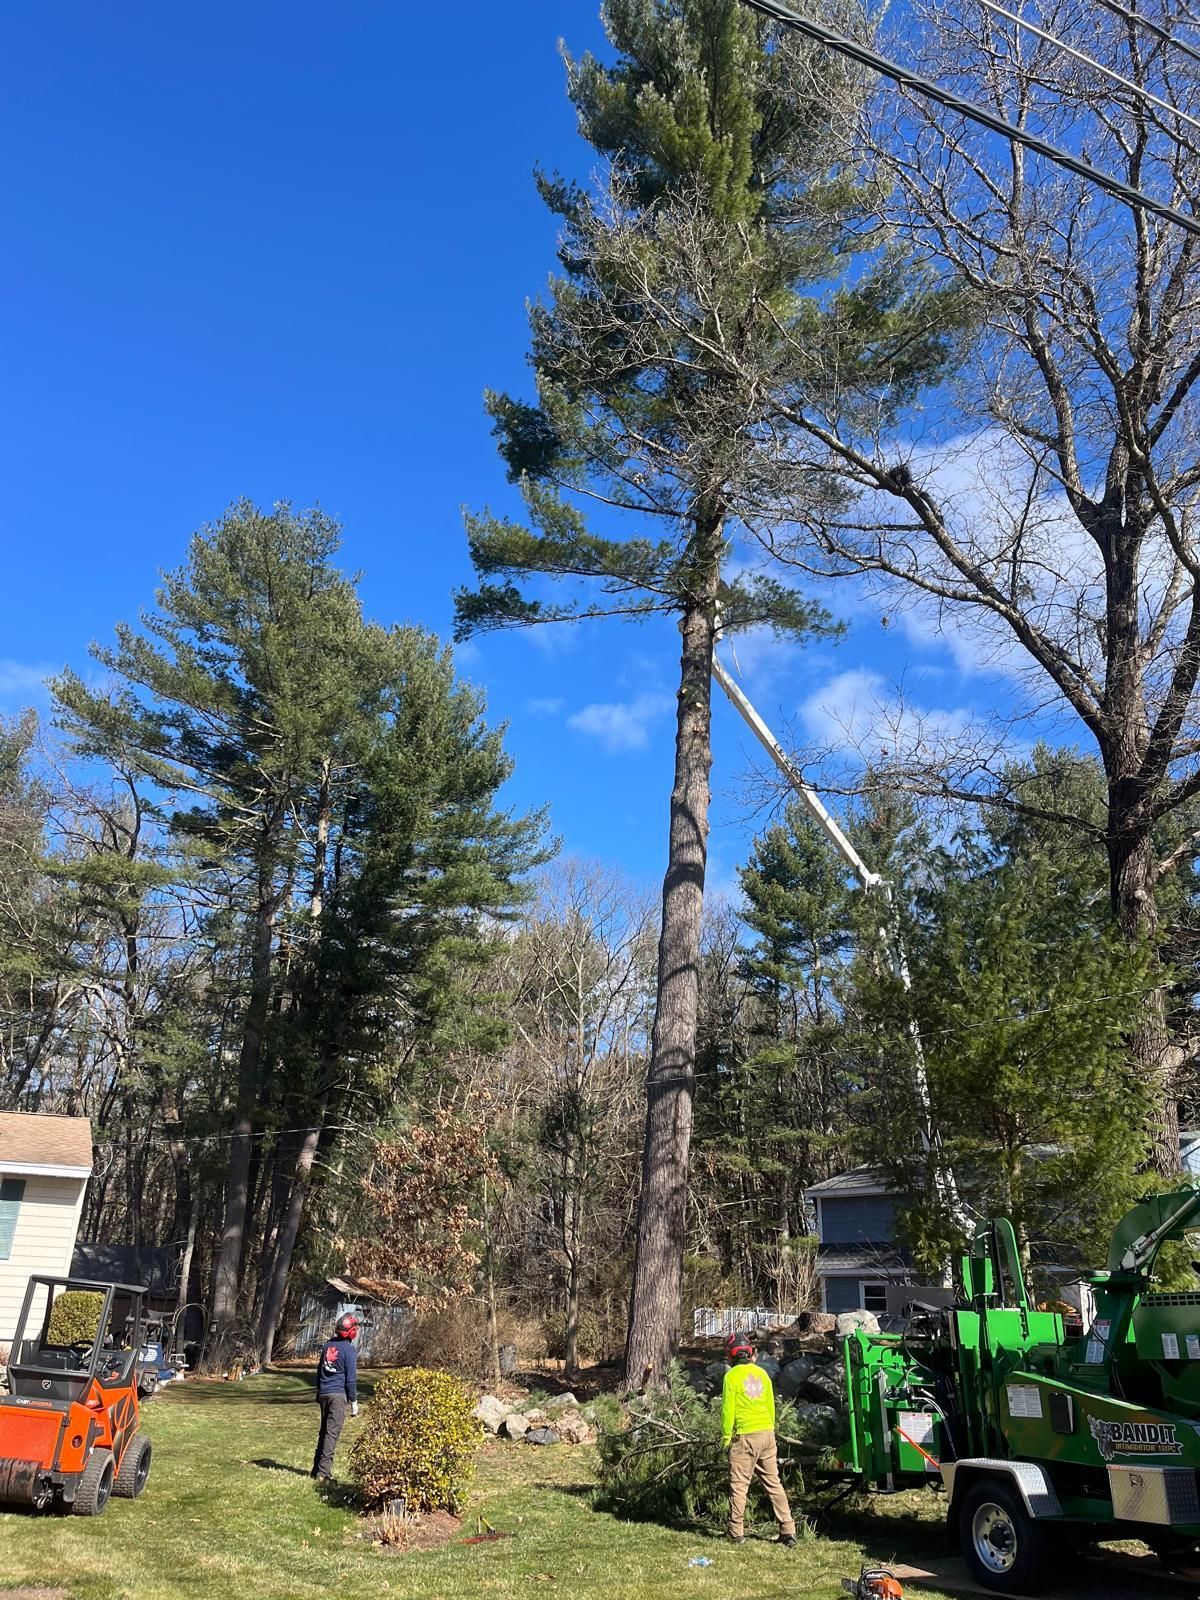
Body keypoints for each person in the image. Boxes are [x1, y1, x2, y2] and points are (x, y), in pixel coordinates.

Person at [720, 1330, 796, 1547]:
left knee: (739, 1485)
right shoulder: (763, 1375)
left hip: (745, 1437)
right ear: (751, 1353)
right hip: (766, 1435)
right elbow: (771, 1406)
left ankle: (736, 1532)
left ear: (731, 1355)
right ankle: (788, 1530)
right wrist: (770, 1429)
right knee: (774, 1483)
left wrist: (726, 1439)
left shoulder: (731, 1376)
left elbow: (728, 1411)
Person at [312, 1311, 359, 1481]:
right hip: (338, 1395)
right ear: (351, 1332)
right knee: (332, 1434)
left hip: (324, 1392)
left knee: (324, 1431)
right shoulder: (349, 1351)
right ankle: (323, 1474)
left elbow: (319, 1370)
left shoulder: (327, 1346)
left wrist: (319, 1390)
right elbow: (351, 1380)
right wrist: (353, 1401)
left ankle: (316, 1468)